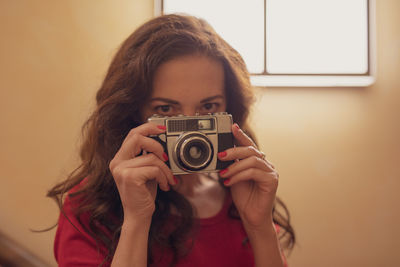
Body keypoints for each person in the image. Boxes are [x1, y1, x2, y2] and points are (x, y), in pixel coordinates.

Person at [48, 14, 295, 267]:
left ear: (228, 109)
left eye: (208, 106)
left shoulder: (242, 191)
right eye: (166, 109)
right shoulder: (90, 208)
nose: (189, 132)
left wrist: (260, 227)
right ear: (133, 111)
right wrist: (135, 221)